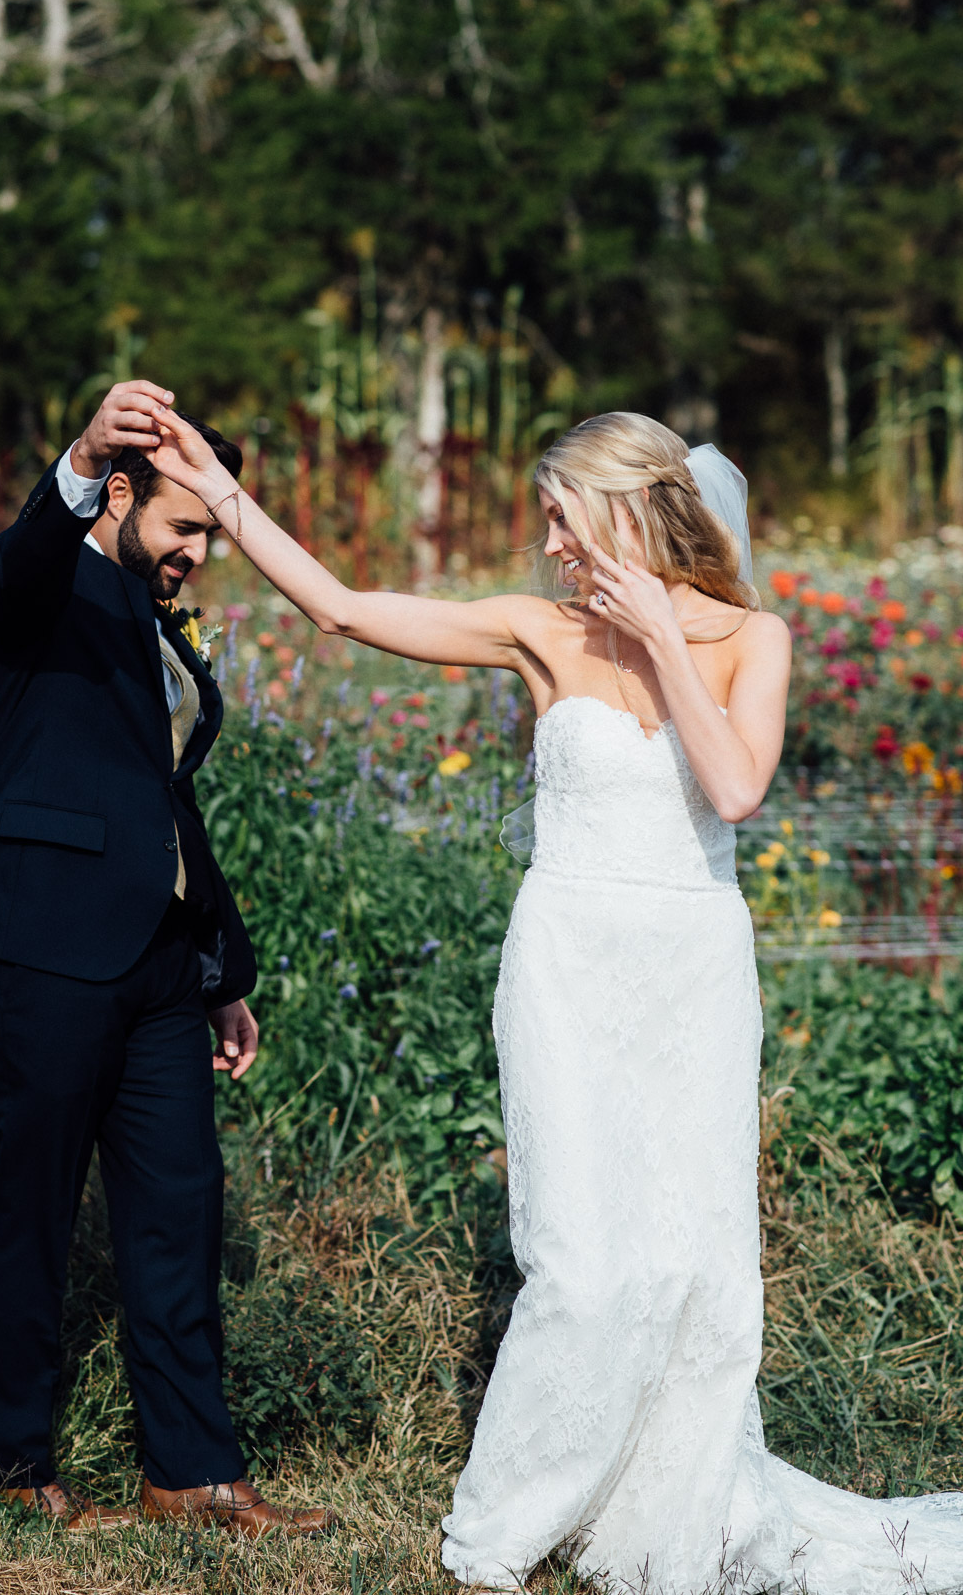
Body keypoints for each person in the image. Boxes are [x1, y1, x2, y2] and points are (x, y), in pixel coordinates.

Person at [150, 404, 963, 1593]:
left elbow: (734, 787)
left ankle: (657, 1511)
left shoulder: (756, 638)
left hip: (692, 970)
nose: (547, 542)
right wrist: (221, 492)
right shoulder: (539, 633)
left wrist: (667, 646)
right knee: (579, 1255)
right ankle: (504, 1528)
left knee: (692, 1263)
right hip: (566, 959)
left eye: (561, 515)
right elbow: (341, 606)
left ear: (627, 509)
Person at [0, 381, 336, 1539]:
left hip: (156, 971)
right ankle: (7, 1464)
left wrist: (221, 970)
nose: (198, 553)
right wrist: (84, 452)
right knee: (33, 1208)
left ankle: (192, 1475)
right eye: (184, 528)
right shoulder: (41, 592)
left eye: (208, 536)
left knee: (180, 1210)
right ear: (122, 493)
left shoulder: (153, 613)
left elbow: (166, 802)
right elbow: (12, 566)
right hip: (38, 950)